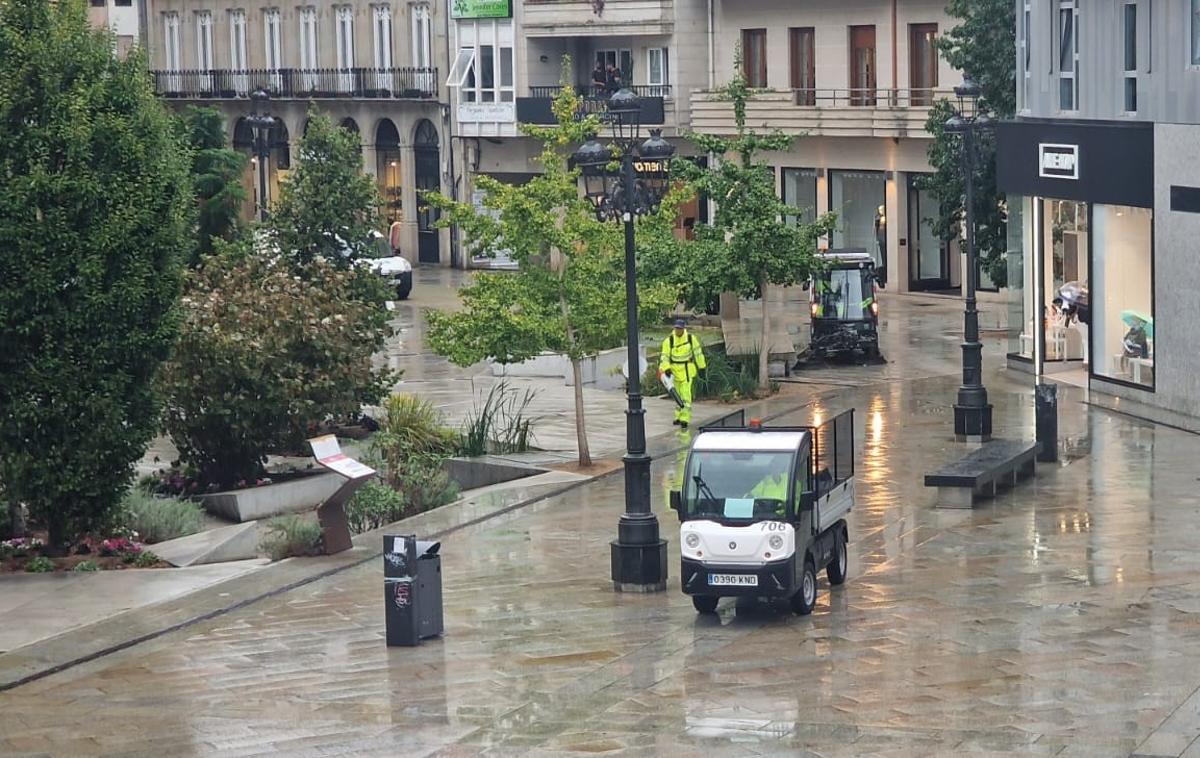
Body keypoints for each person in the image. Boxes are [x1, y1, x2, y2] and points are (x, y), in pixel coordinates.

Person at [659, 318, 706, 429]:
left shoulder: (691, 339)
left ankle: (685, 418)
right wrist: (666, 368)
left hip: (687, 371)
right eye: (676, 328)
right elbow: (664, 356)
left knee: (685, 395)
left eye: (679, 328)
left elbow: (698, 354)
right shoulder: (668, 341)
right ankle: (678, 417)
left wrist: (702, 367)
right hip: (674, 372)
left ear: (683, 328)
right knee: (677, 396)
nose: (678, 330)